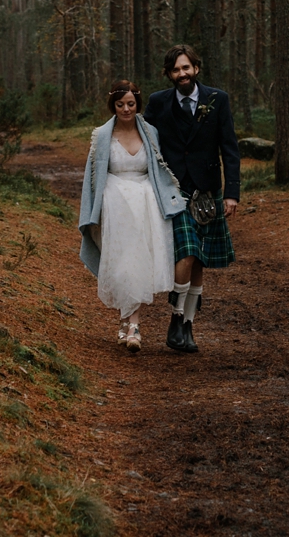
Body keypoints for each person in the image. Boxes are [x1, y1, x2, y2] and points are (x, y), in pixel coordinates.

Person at [143, 45, 240, 353]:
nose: (181, 74)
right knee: (185, 253)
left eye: (186, 68)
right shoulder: (158, 102)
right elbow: (146, 143)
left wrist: (232, 193)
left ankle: (187, 324)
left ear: (196, 68)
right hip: (173, 189)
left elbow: (230, 147)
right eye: (175, 70)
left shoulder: (217, 99)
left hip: (207, 189)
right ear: (168, 74)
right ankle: (174, 318)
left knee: (199, 259)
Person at [79, 81, 186, 352]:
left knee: (138, 259)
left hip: (145, 203)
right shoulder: (102, 136)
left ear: (138, 104)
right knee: (122, 262)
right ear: (112, 106)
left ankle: (133, 324)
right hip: (114, 203)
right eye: (120, 104)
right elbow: (92, 177)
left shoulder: (149, 132)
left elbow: (158, 168)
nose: (126, 109)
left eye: (130, 104)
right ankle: (127, 320)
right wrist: (94, 211)